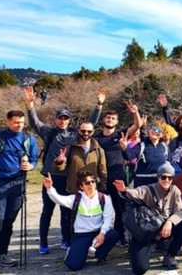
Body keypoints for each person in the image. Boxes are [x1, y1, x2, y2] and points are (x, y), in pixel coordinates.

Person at [24, 86, 98, 252]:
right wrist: (30, 105)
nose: (63, 121)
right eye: (60, 118)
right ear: (56, 120)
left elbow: (90, 123)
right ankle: (43, 243)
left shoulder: (74, 133)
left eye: (66, 118)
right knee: (47, 211)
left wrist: (98, 106)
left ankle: (66, 240)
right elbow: (34, 122)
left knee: (66, 211)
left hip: (67, 178)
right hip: (50, 178)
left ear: (69, 120)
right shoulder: (48, 133)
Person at [0, 108, 38, 274]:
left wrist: (30, 166)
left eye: (22, 123)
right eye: (16, 122)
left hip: (18, 184)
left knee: (8, 221)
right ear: (8, 122)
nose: (19, 125)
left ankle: (3, 253)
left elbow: (34, 159)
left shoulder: (29, 139)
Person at [113, 164, 182, 275]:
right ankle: (136, 249)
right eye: (163, 177)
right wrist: (124, 190)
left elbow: (180, 211)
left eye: (170, 178)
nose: (167, 180)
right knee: (139, 269)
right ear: (158, 177)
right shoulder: (149, 189)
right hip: (147, 232)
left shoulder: (175, 190)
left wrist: (169, 222)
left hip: (163, 230)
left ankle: (170, 255)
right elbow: (135, 192)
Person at [43, 171, 121, 270]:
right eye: (87, 183)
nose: (91, 184)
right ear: (81, 186)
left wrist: (102, 233)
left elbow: (108, 218)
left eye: (93, 182)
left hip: (98, 233)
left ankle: (98, 254)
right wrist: (49, 188)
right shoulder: (76, 199)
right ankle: (78, 251)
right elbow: (58, 199)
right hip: (82, 234)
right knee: (73, 266)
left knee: (114, 235)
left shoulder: (104, 198)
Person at [91, 88, 141, 244]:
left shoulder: (121, 134)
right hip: (100, 178)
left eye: (113, 118)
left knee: (120, 208)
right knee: (98, 209)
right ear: (104, 120)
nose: (110, 120)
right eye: (108, 118)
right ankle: (99, 236)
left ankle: (119, 235)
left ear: (117, 121)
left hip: (118, 176)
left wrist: (135, 112)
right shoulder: (96, 138)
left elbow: (137, 125)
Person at [53, 122, 108, 196]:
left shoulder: (99, 150)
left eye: (89, 131)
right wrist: (59, 162)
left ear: (93, 132)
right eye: (83, 131)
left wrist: (102, 190)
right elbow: (57, 169)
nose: (86, 133)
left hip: (92, 191)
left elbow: (103, 172)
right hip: (74, 191)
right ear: (79, 131)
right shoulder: (70, 148)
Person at [125, 101, 168, 187]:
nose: (156, 131)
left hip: (159, 185)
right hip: (142, 185)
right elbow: (128, 156)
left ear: (163, 134)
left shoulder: (164, 147)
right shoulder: (142, 145)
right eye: (154, 128)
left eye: (159, 130)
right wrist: (124, 148)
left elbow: (169, 164)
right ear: (149, 130)